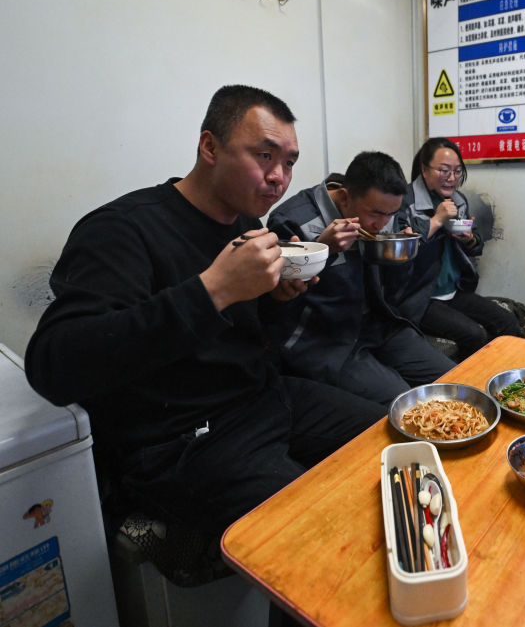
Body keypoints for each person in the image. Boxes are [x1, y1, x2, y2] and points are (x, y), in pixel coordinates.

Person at [24, 85, 385, 538]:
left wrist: (278, 299)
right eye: (264, 156)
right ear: (210, 147)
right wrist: (212, 289)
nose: (279, 177)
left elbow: (252, 337)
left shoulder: (246, 223)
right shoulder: (122, 229)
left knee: (392, 440)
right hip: (183, 439)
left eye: (289, 162)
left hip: (262, 398)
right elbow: (54, 367)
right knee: (322, 532)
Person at [266, 151, 456, 405]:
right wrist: (324, 249)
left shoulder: (385, 212)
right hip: (325, 340)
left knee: (454, 380)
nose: (382, 224)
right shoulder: (293, 220)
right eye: (376, 214)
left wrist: (402, 258)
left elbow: (394, 292)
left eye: (390, 215)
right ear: (345, 197)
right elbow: (277, 302)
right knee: (403, 401)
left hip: (378, 325)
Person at [397, 137, 521, 359]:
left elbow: (475, 244)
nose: (452, 178)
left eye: (457, 171)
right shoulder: (404, 201)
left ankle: (505, 376)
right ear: (424, 170)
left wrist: (469, 240)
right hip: (420, 297)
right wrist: (436, 220)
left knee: (508, 322)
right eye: (444, 171)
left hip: (454, 291)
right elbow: (400, 251)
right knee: (475, 334)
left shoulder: (458, 200)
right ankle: (471, 380)